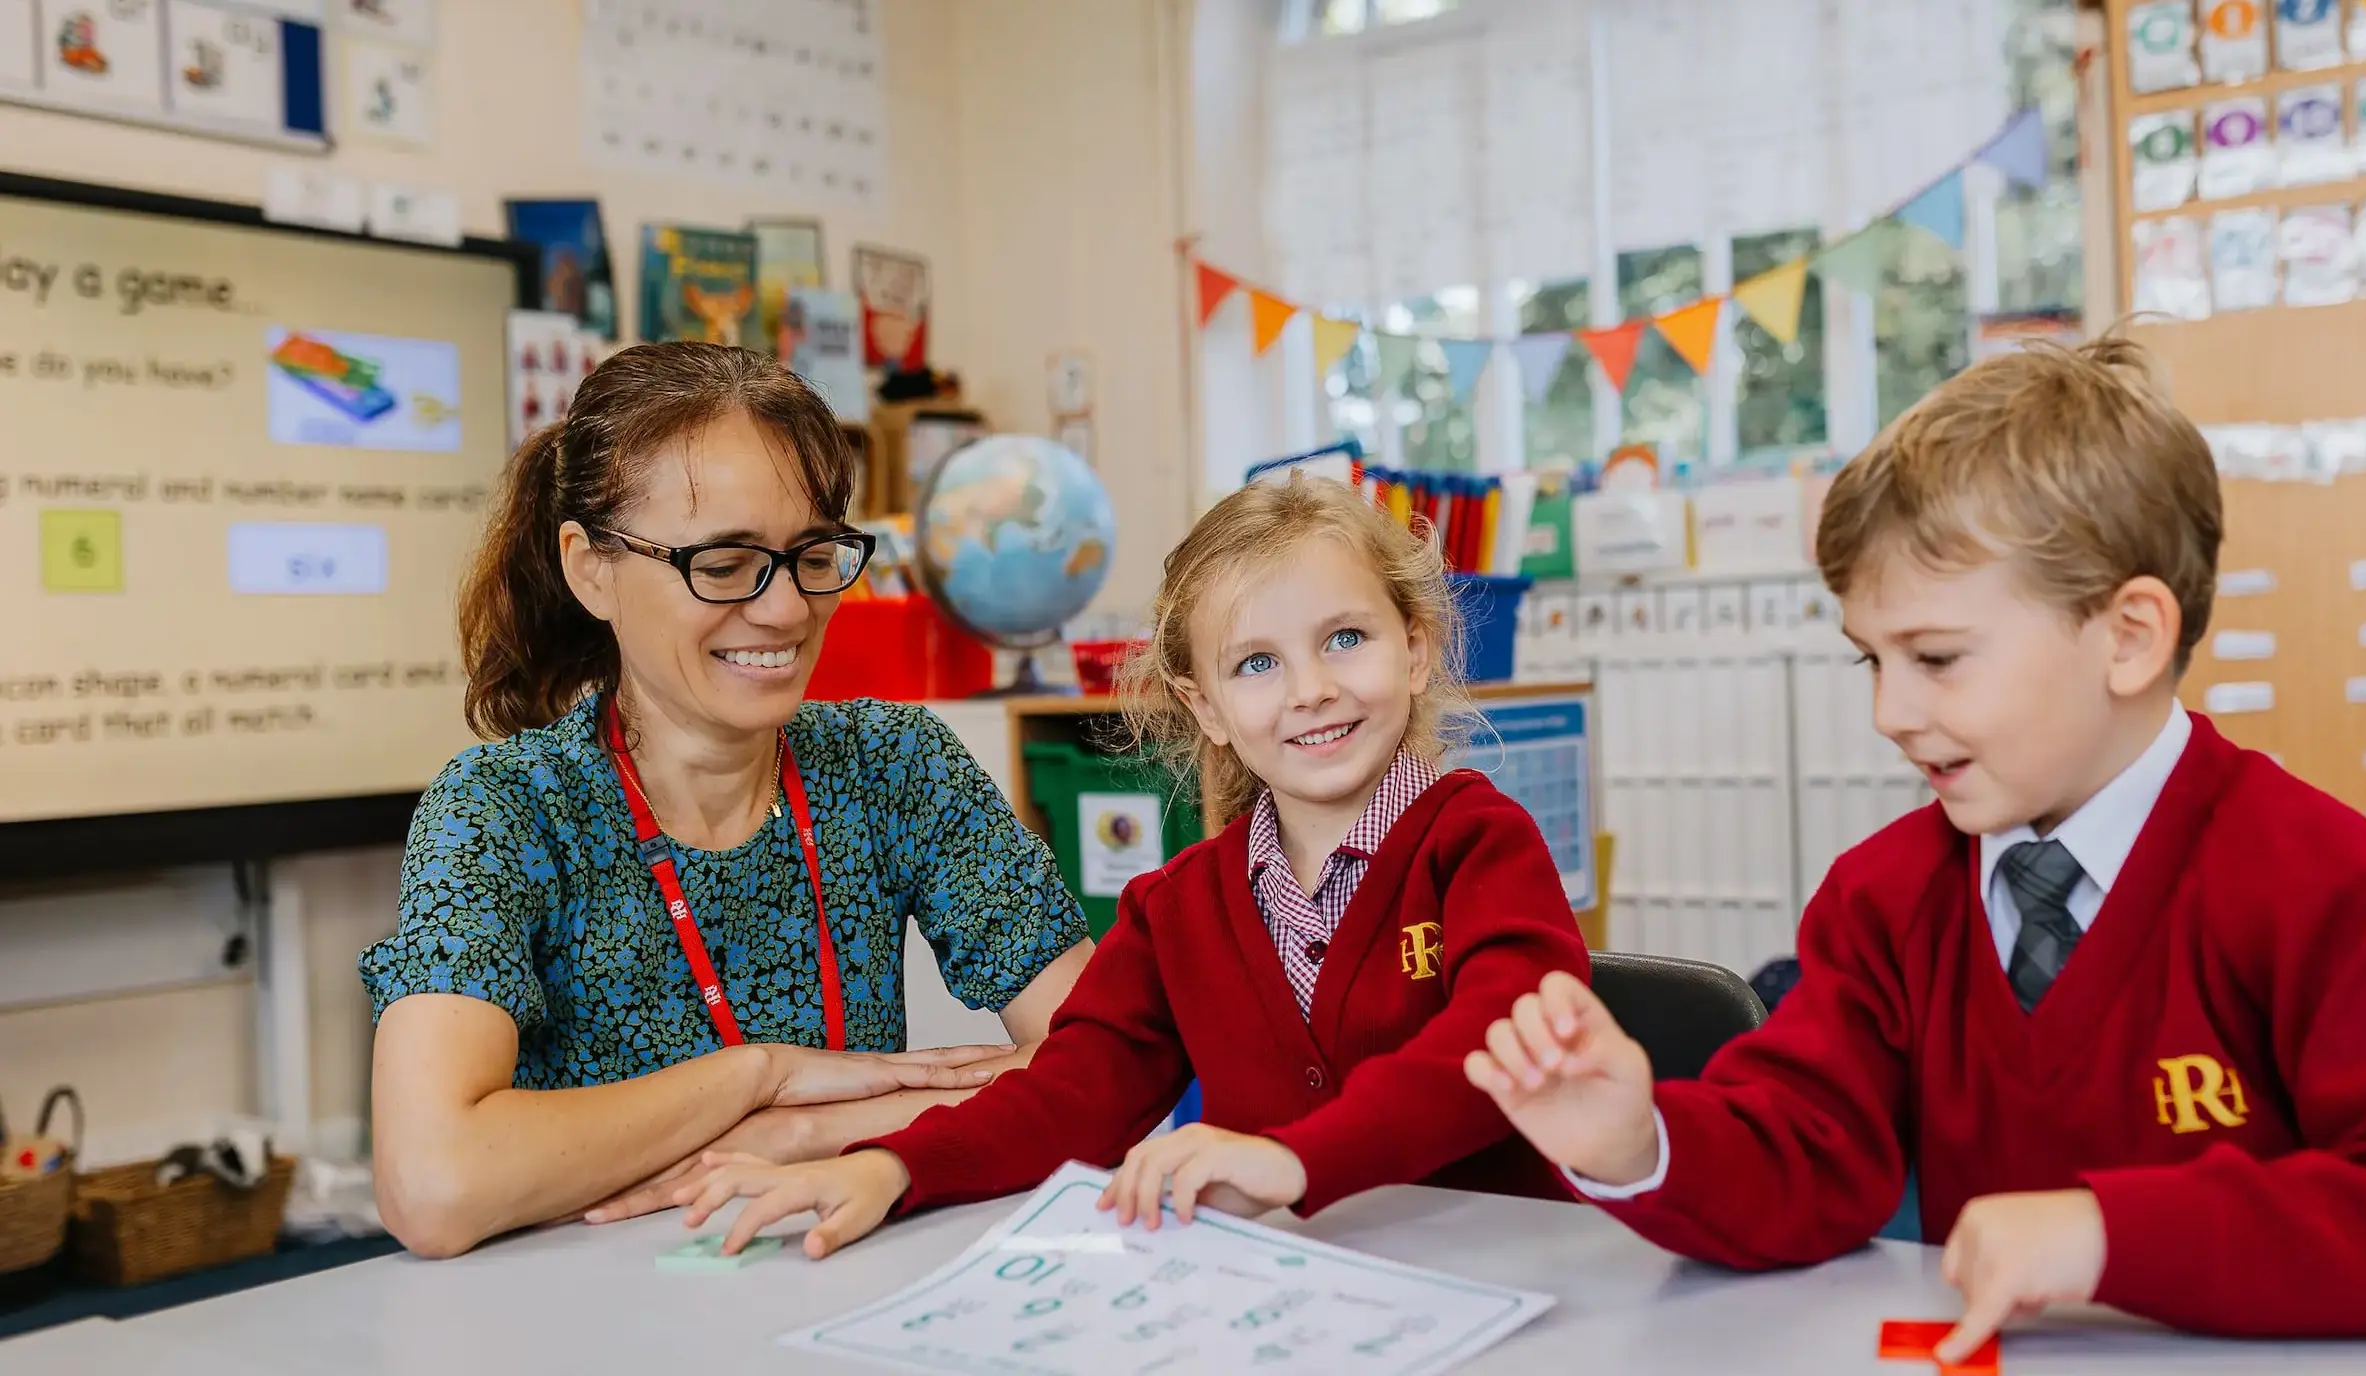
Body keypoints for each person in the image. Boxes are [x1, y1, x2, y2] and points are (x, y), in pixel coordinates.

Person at [1464, 338, 2366, 1363]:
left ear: (2128, 637)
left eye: (1937, 657)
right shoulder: (1883, 898)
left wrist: (2110, 1236)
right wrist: (1639, 1138)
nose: (1891, 710)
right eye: (1870, 662)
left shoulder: (2322, 884)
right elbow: (1807, 1149)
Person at [669, 473, 1591, 1259]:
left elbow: (1496, 1048)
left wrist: (1295, 1159)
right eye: (1257, 663)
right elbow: (1071, 1092)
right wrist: (894, 1166)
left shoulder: (1479, 843)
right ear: (1207, 706)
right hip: (1292, 1294)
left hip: (1501, 1276)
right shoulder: (1179, 906)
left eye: (1346, 639)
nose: (1311, 689)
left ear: (1416, 648)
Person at [359, 343, 1095, 1259]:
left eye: (811, 554)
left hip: (834, 1277)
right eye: (725, 561)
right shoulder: (505, 810)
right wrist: (760, 1077)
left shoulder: (893, 765)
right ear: (591, 569)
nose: (786, 610)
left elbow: (1106, 1061)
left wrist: (804, 1130)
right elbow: (434, 1184)